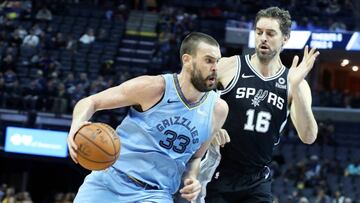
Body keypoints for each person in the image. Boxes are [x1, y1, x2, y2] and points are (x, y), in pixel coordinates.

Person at [67, 32, 229, 203]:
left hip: (155, 194)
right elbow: (91, 102)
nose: (215, 68)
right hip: (109, 181)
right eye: (209, 60)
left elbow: (195, 157)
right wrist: (76, 125)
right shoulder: (153, 88)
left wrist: (192, 178)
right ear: (187, 60)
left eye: (218, 61)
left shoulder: (218, 110)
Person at [194, 7, 319, 203]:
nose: (263, 38)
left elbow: (309, 136)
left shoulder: (296, 83)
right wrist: (208, 125)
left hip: (257, 179)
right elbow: (189, 96)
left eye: (270, 33)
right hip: (217, 171)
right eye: (259, 32)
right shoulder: (229, 66)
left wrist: (295, 87)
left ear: (285, 38)